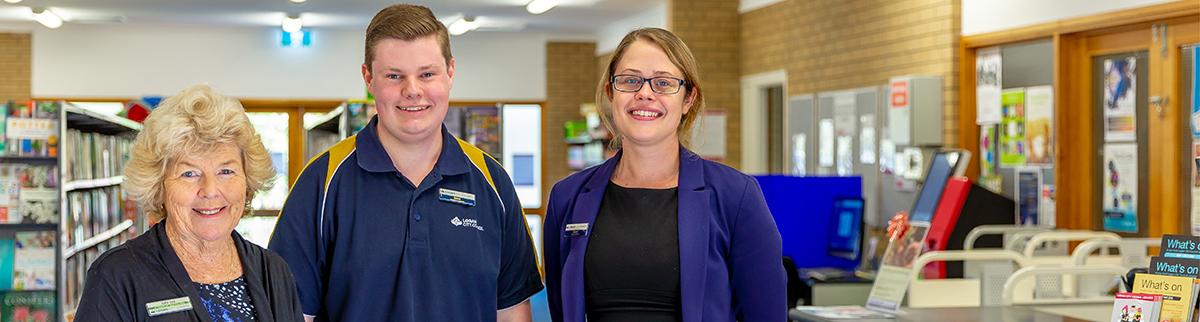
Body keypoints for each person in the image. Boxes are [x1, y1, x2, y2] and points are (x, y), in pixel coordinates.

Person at [267, 4, 542, 322]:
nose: (413, 91)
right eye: (394, 76)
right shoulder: (322, 182)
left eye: (427, 74)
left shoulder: (492, 181)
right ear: (368, 78)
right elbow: (293, 313)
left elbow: (511, 312)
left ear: (450, 73)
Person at [542, 27, 786, 322]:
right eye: (630, 80)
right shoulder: (568, 196)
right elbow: (560, 306)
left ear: (688, 99)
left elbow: (766, 314)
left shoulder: (735, 195)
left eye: (663, 83)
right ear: (610, 92)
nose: (645, 93)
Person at [75, 84, 304, 321]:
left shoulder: (274, 271)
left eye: (226, 171)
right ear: (159, 186)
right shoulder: (116, 276)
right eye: (189, 174)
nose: (210, 191)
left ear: (247, 181)